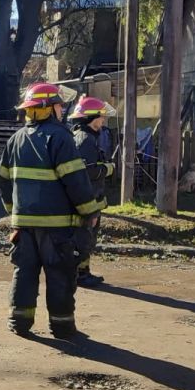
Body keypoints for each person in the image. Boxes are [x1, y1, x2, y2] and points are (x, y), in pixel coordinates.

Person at [0, 83, 105, 338]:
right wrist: (89, 212)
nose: (61, 110)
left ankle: (19, 323)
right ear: (47, 109)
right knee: (59, 274)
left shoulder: (15, 139)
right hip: (57, 227)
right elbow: (75, 181)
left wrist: (15, 215)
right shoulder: (60, 138)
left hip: (23, 226)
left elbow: (3, 181)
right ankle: (62, 326)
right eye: (58, 105)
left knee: (24, 272)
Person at [68, 96, 116, 288]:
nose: (103, 121)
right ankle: (81, 274)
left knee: (86, 236)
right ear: (91, 118)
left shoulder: (83, 136)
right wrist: (108, 169)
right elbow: (87, 171)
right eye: (101, 117)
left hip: (90, 198)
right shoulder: (86, 139)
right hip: (88, 200)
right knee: (84, 237)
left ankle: (82, 271)